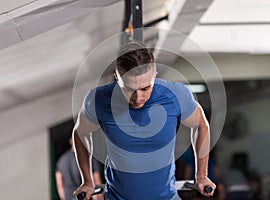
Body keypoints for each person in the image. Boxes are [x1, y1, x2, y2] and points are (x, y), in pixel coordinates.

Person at [73, 41, 216, 200]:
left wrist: (202, 175)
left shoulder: (176, 95)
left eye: (145, 88)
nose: (138, 98)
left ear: (154, 75)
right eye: (128, 89)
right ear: (116, 78)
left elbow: (201, 125)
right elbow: (81, 133)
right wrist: (87, 180)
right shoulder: (98, 99)